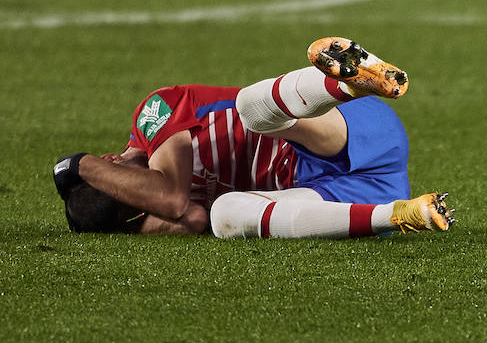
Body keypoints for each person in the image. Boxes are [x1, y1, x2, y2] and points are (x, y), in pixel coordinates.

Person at [52, 37, 452, 239]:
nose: (142, 198)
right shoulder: (166, 204)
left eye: (130, 189)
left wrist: (82, 166)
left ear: (112, 160)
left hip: (345, 130)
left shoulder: (153, 115)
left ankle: (348, 83)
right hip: (359, 193)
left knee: (251, 111)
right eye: (133, 204)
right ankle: (401, 215)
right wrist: (80, 168)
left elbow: (170, 198)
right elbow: (190, 216)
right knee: (224, 215)